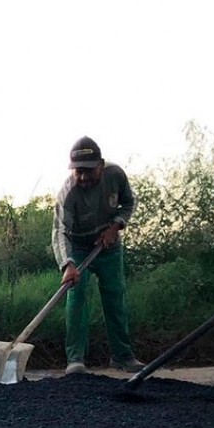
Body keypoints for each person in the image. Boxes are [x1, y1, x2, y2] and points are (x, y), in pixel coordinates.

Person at [51, 136, 145, 375]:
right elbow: (60, 232)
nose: (82, 177)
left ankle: (123, 356)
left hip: (108, 246)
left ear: (101, 165)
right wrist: (68, 265)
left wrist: (116, 227)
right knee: (77, 298)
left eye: (88, 171)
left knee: (115, 298)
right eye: (78, 172)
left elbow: (128, 203)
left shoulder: (116, 175)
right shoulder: (68, 194)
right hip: (79, 247)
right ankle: (75, 359)